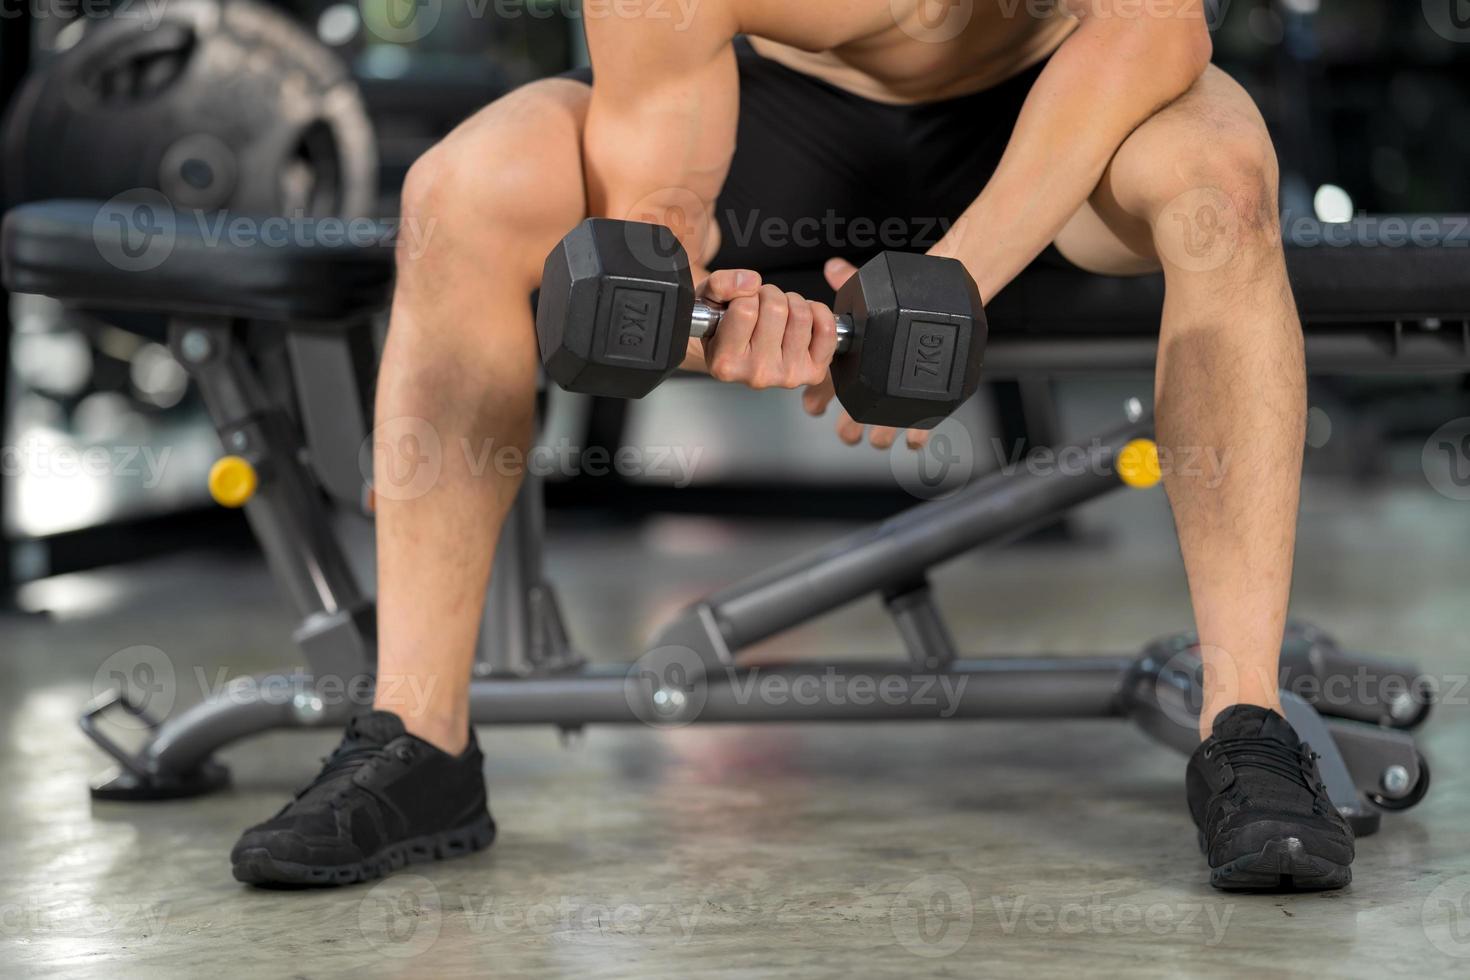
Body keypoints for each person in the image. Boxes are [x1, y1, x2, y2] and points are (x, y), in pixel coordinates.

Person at [229, 0, 1353, 891]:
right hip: (766, 121)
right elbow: (661, 182)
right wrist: (692, 298)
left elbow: (1152, 27)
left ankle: (1245, 726)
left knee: (1222, 183)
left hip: (1056, 124)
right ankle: (420, 737)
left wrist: (948, 285)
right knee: (461, 191)